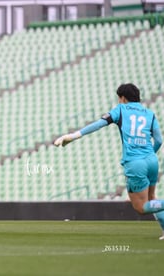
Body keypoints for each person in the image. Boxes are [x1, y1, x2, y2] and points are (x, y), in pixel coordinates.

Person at [54, 83, 164, 240]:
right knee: (153, 198)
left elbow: (98, 124)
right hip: (152, 161)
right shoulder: (149, 114)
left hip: (135, 163)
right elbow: (159, 140)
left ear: (123, 98)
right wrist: (148, 156)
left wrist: (73, 136)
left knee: (141, 208)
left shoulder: (121, 109)